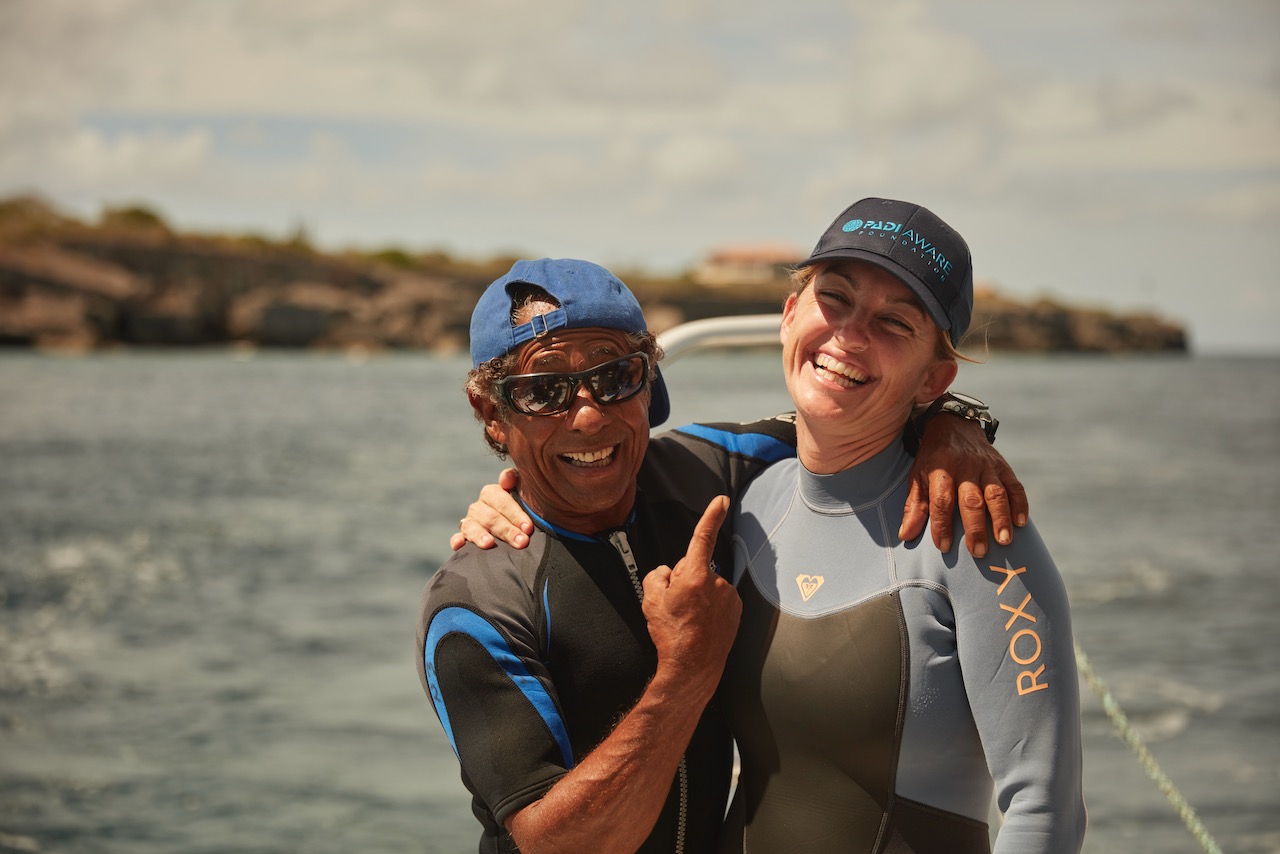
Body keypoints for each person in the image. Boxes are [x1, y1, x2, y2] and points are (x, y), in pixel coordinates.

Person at [420, 257, 1025, 853]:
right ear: (492, 416)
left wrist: (955, 427)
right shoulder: (477, 602)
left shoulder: (713, 464)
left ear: (649, 385)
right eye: (542, 391)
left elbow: (865, 417)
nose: (587, 414)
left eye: (613, 377)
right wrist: (687, 671)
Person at [720, 198, 1085, 852]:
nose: (851, 335)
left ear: (933, 380)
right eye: (834, 298)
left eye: (895, 322)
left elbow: (1043, 810)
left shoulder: (975, 529)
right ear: (788, 316)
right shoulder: (744, 502)